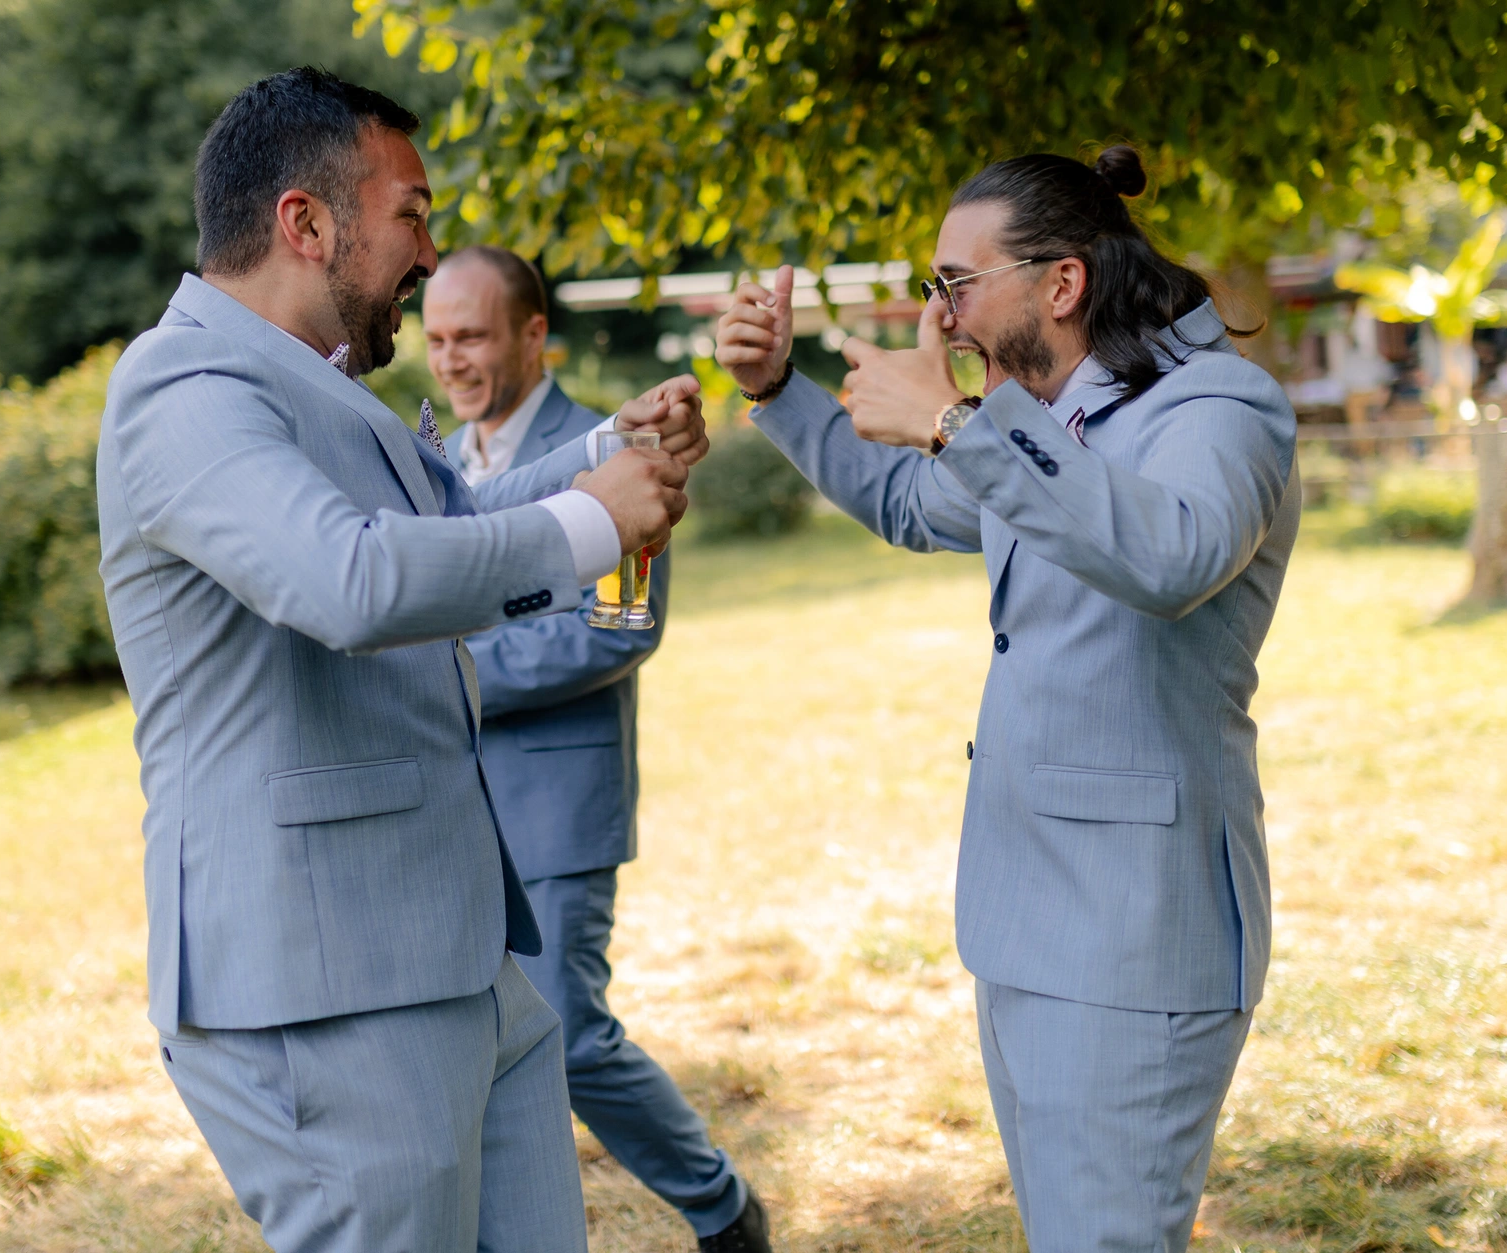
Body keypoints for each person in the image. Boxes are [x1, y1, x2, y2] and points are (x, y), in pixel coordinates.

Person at [97, 68, 708, 1253]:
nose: (429, 256)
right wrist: (596, 521)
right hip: (326, 983)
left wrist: (609, 447)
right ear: (306, 222)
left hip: (458, 953)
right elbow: (354, 578)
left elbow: (454, 519)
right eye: (411, 216)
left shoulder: (316, 382)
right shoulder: (179, 386)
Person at [715, 147, 1299, 1253]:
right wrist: (775, 389)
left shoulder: (1219, 406)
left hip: (1137, 933)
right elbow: (909, 499)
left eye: (957, 284)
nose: (942, 316)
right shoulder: (1042, 418)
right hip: (1024, 918)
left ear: (1062, 283)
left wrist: (957, 425)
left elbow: (1173, 553)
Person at [424, 246, 771, 1251]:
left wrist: (447, 671)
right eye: (435, 338)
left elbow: (614, 631)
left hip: (556, 803)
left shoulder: (615, 447)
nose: (449, 360)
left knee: (569, 1035)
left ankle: (720, 1205)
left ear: (534, 334)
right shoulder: (430, 459)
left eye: (471, 336)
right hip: (443, 812)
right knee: (468, 1047)